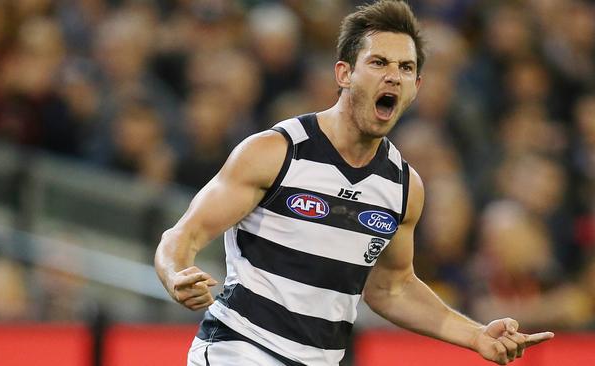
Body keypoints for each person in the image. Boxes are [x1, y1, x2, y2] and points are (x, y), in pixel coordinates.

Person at [154, 1, 554, 365]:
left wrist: (475, 335)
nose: (394, 77)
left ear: (417, 87)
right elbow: (182, 236)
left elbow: (391, 288)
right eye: (379, 62)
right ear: (344, 73)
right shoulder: (276, 153)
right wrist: (175, 273)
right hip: (239, 348)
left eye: (406, 68)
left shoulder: (403, 187)